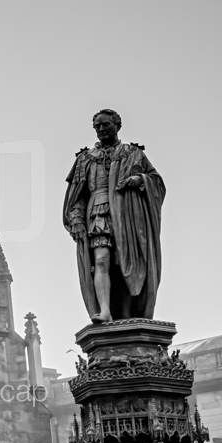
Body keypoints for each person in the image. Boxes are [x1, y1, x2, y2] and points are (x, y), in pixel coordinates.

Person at [62, 109, 165, 324]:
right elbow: (76, 197)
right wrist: (77, 220)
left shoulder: (133, 153)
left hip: (128, 216)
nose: (100, 129)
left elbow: (157, 182)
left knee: (124, 264)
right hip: (97, 212)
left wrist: (139, 180)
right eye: (97, 126)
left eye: (105, 124)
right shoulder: (85, 159)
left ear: (117, 126)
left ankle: (128, 314)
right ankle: (105, 310)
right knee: (101, 260)